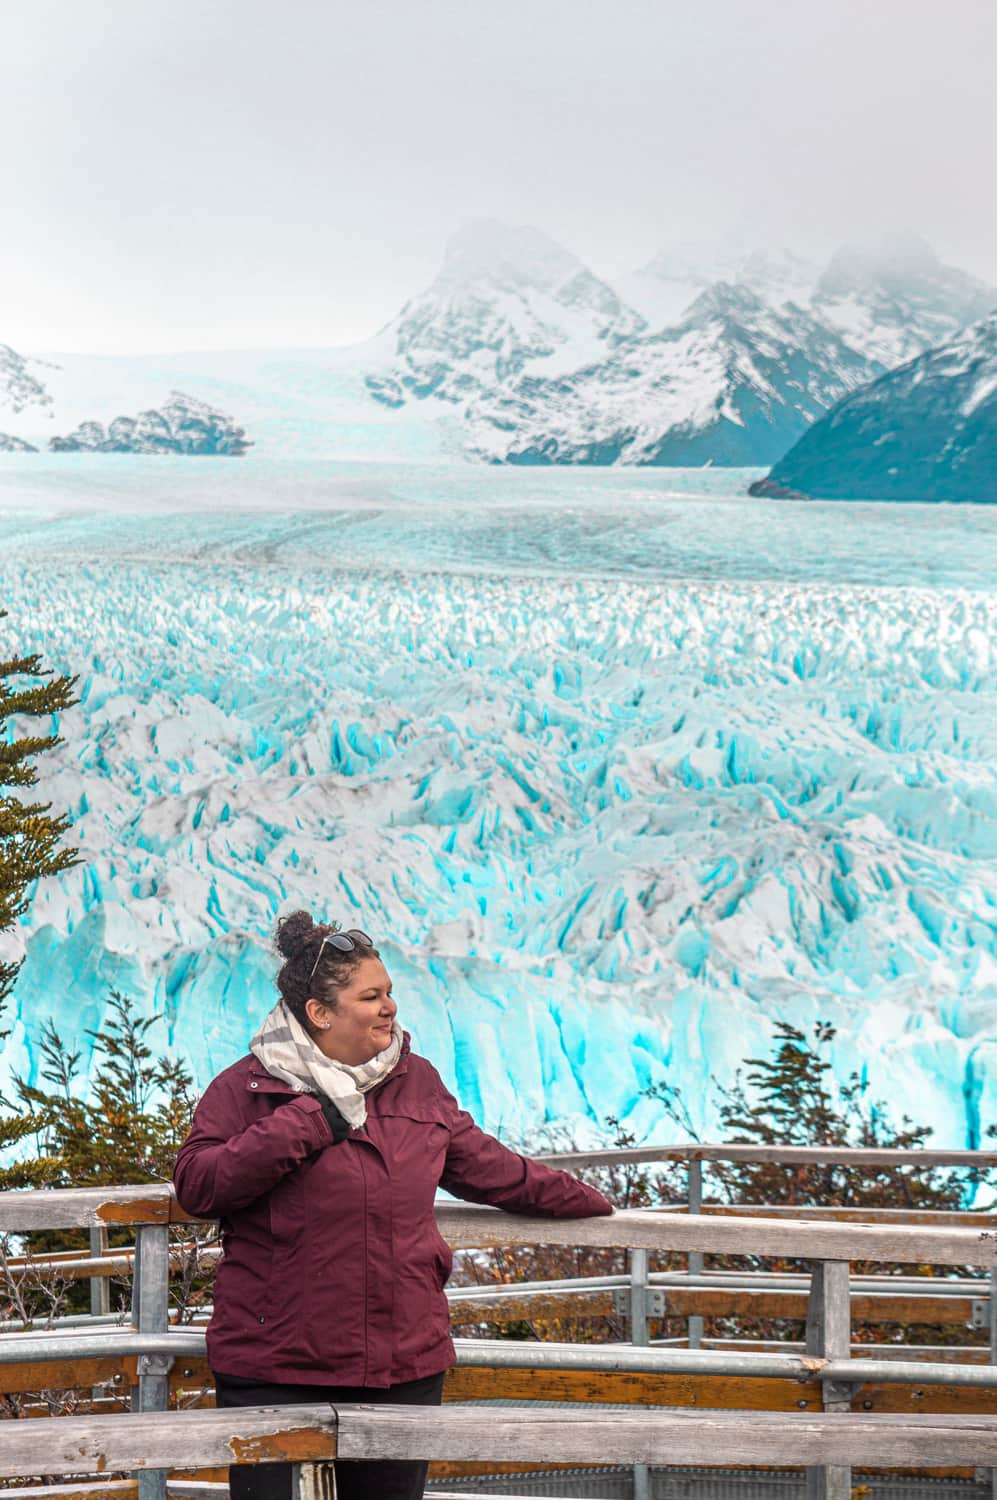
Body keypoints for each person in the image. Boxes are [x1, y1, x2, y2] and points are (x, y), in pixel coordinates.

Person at [173, 911, 614, 1500]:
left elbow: (489, 1168)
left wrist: (588, 1201)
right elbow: (199, 1184)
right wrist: (308, 1120)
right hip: (274, 1366)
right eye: (372, 996)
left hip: (398, 1360)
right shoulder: (248, 1087)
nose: (390, 1008)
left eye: (390, 994)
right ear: (321, 1013)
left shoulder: (415, 1081)